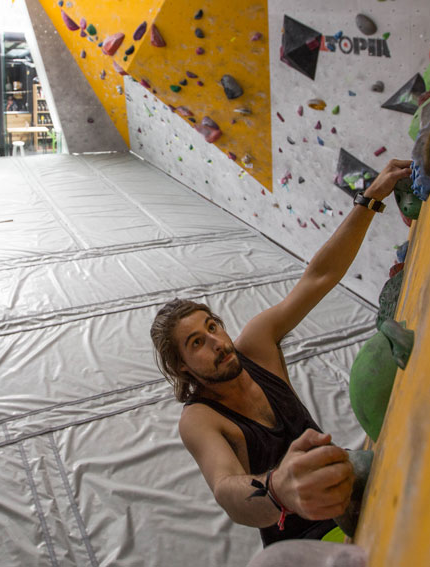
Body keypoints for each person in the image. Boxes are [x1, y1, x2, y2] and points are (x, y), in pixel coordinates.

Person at [150, 159, 412, 547]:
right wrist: (278, 490)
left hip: (350, 492)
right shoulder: (200, 419)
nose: (216, 342)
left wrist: (369, 199)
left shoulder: (256, 345)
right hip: (307, 541)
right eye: (196, 343)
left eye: (212, 326)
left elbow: (319, 277)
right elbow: (226, 490)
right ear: (182, 368)